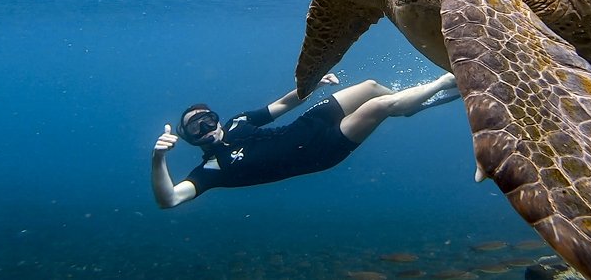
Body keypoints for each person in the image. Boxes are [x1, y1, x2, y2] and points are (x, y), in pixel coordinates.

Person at [151, 72, 459, 208]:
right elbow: (170, 200)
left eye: (209, 119)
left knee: (371, 87)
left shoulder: (237, 122)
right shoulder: (212, 170)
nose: (207, 128)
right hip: (319, 152)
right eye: (196, 129)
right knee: (378, 107)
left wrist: (311, 82)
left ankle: (409, 105)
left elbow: (282, 105)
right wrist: (158, 159)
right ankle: (447, 81)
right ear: (191, 140)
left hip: (307, 124)